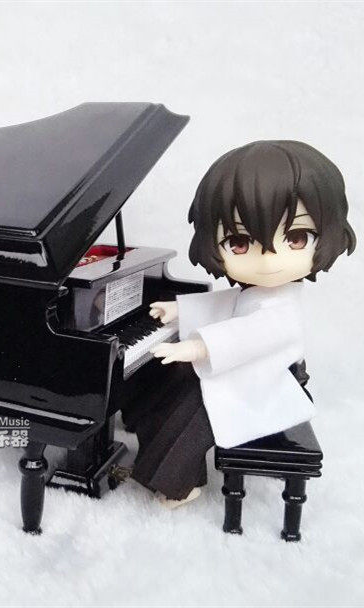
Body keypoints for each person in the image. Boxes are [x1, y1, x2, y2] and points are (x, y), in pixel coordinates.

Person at [124, 140, 356, 508]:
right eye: (240, 243)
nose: (268, 261)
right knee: (171, 383)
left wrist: (198, 346)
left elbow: (251, 334)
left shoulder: (283, 310)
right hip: (245, 369)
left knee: (193, 409)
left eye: (296, 238)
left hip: (265, 382)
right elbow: (230, 303)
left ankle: (181, 484)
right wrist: (178, 309)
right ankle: (144, 442)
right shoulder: (261, 293)